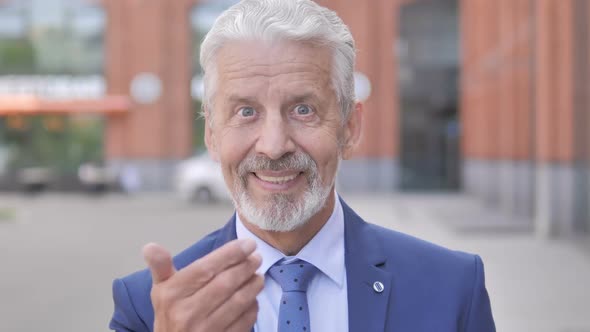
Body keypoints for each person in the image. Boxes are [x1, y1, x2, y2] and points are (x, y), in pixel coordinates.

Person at [109, 0, 496, 331]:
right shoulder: (152, 309)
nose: (274, 146)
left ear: (350, 126)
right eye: (246, 111)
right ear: (212, 133)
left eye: (303, 109)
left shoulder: (452, 288)